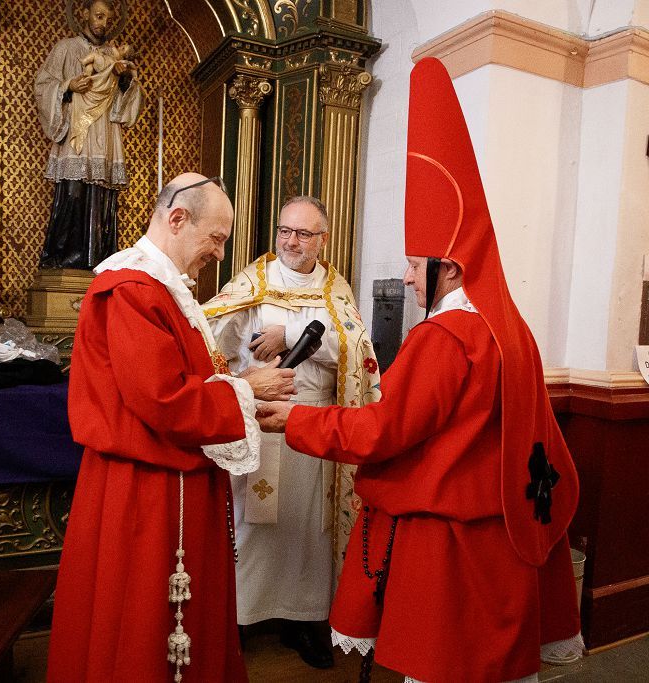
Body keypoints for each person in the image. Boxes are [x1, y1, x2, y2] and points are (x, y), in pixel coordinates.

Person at [255, 58, 582, 682]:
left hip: (449, 544)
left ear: (450, 267)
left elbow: (382, 431)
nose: (406, 278)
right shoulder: (510, 328)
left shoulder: (445, 337)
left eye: (414, 264)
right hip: (506, 538)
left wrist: (294, 421)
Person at [46, 173, 296, 682]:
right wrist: (245, 390)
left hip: (169, 483)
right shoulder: (132, 290)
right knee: (140, 625)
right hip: (146, 493)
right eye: (216, 238)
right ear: (178, 218)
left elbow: (189, 381)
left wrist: (245, 400)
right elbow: (164, 400)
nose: (219, 254)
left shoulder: (163, 289)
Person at [203, 196, 381, 669]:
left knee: (308, 531)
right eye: (285, 230)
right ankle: (238, 620)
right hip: (262, 421)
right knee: (251, 526)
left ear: (323, 239)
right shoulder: (253, 282)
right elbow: (210, 341)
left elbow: (359, 351)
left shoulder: (335, 289)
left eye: (303, 233)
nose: (291, 241)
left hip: (316, 425)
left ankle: (304, 621)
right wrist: (237, 380)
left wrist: (294, 333)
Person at [34, 0, 143, 270]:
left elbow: (127, 104)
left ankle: (99, 260)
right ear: (84, 14)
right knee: (73, 194)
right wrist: (68, 86)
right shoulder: (66, 48)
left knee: (102, 198)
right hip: (77, 132)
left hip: (105, 134)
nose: (103, 23)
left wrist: (125, 80)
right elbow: (42, 85)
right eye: (98, 16)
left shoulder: (115, 57)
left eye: (107, 19)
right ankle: (64, 260)